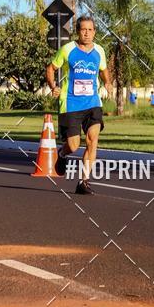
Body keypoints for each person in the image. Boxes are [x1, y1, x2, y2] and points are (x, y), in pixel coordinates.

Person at [46, 15, 109, 195]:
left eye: (90, 30)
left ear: (94, 32)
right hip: (71, 103)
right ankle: (62, 154)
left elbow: (104, 71)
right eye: (83, 29)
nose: (87, 33)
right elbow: (51, 69)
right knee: (73, 145)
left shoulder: (99, 51)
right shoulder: (67, 50)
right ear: (77, 31)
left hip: (93, 102)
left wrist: (108, 83)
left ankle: (83, 181)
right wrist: (53, 86)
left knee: (92, 140)